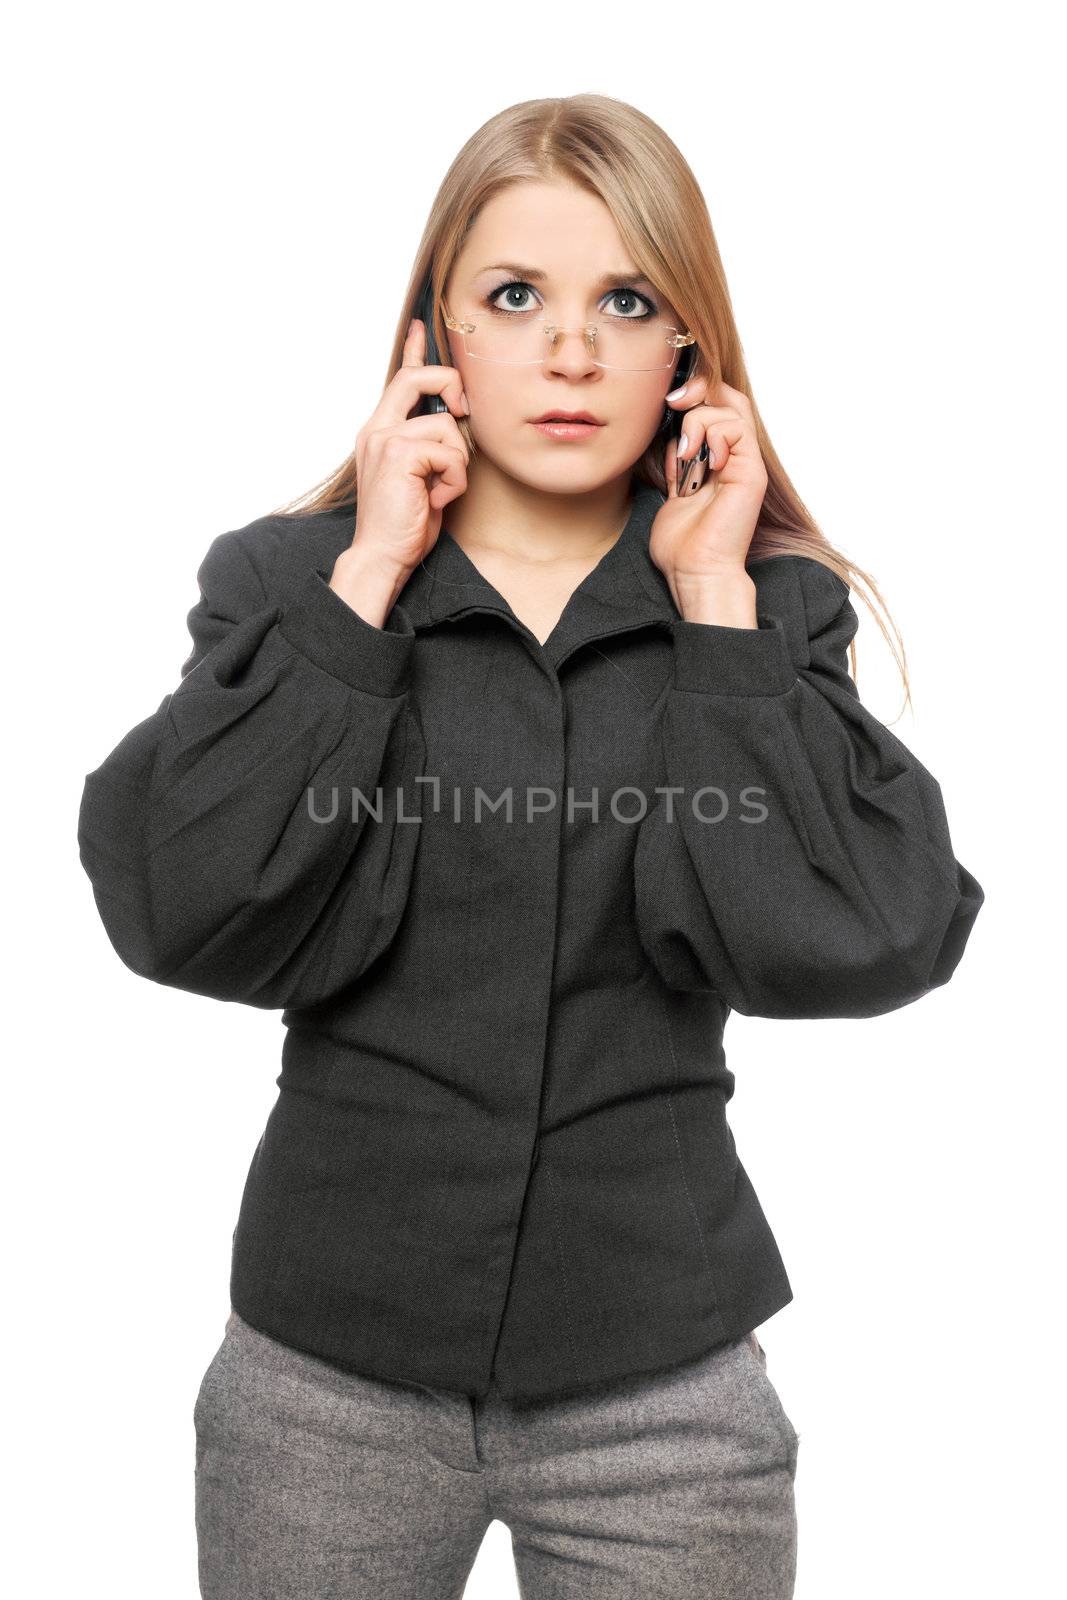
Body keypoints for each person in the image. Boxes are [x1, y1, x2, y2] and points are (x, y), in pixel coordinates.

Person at [76, 94, 985, 1600]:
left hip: (662, 1388)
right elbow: (177, 902)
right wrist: (365, 581)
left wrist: (718, 623)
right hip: (324, 1380)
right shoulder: (293, 583)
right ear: (436, 339)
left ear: (687, 351)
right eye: (517, 298)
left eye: (625, 302)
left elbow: (871, 933)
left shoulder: (761, 612)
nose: (571, 353)